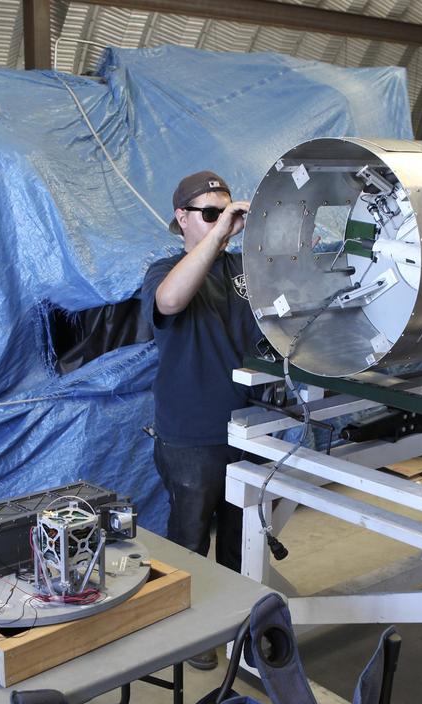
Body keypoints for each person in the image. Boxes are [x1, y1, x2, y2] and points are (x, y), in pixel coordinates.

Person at [141, 171, 262, 670]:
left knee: (242, 541)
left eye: (228, 211)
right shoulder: (164, 270)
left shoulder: (246, 269)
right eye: (211, 213)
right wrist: (218, 235)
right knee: (190, 543)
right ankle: (189, 636)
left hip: (251, 426)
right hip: (193, 435)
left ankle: (238, 626)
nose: (224, 223)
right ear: (182, 219)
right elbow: (170, 301)